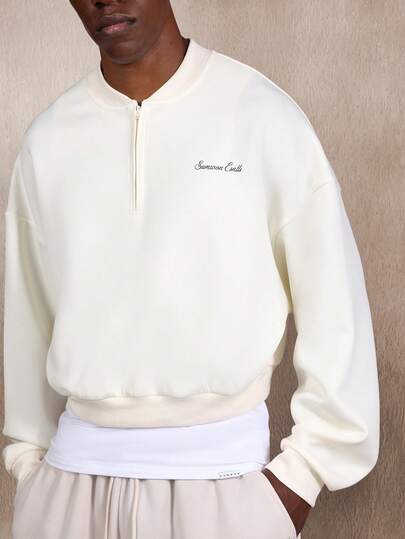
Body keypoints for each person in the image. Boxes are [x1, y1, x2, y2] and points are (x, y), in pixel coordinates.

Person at [1, 1, 380, 538]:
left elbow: (336, 305)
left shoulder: (261, 115)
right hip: (65, 492)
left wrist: (303, 476)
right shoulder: (49, 140)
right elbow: (27, 315)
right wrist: (29, 468)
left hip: (224, 490)